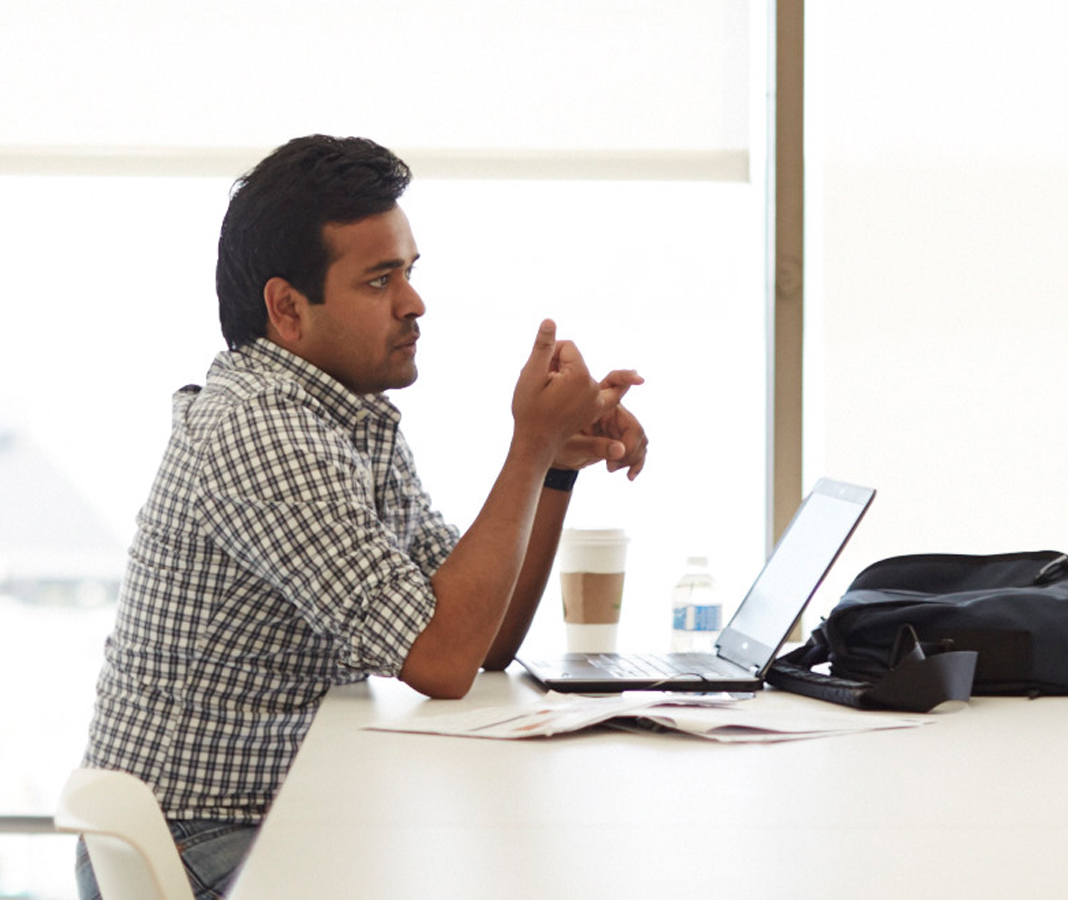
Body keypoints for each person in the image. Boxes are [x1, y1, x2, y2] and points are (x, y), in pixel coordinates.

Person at [76, 135, 648, 899]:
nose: (414, 303)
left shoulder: (347, 420)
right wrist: (529, 442)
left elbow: (483, 638)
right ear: (287, 308)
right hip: (198, 837)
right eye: (380, 281)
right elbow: (441, 661)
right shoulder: (263, 429)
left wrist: (550, 469)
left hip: (276, 816)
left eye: (409, 272)